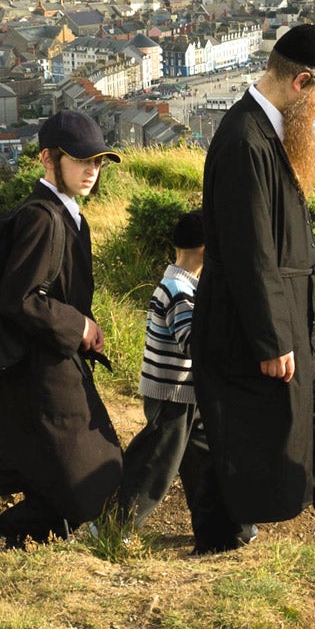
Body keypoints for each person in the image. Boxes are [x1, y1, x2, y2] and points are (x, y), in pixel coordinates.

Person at [189, 23, 315, 554]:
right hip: (254, 329)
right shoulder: (243, 139)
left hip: (299, 320)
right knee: (238, 433)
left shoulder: (271, 133)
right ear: (300, 83)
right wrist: (273, 341)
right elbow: (251, 253)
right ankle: (217, 539)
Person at [0, 112, 127, 553]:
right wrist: (82, 326)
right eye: (81, 160)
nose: (92, 170)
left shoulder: (68, 214)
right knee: (92, 473)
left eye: (98, 162)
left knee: (72, 474)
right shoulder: (42, 216)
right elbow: (20, 299)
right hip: (43, 371)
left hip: (54, 364)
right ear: (47, 159)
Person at [117, 209, 254, 543]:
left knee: (204, 463)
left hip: (185, 394)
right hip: (171, 394)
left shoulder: (179, 283)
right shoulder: (181, 290)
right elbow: (192, 343)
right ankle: (114, 525)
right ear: (209, 250)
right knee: (156, 465)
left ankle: (228, 527)